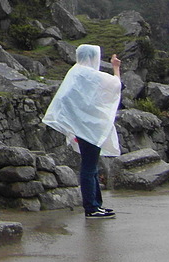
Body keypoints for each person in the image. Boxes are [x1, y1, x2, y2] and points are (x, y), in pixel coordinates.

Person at [42, 44, 122, 218]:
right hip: (89, 128)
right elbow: (115, 85)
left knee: (91, 166)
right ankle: (91, 208)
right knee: (88, 167)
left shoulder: (75, 72)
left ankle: (96, 204)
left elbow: (67, 99)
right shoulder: (87, 74)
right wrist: (116, 66)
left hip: (84, 127)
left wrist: (74, 125)